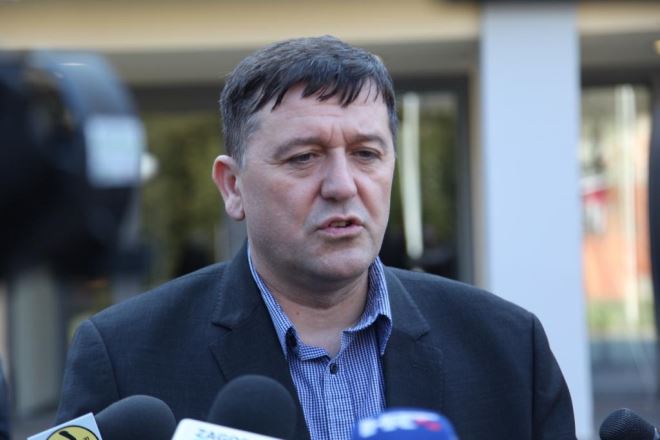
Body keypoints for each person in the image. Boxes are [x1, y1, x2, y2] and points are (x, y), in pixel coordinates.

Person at [56, 36, 576, 439]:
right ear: (233, 187)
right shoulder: (124, 356)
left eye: (366, 154)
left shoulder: (510, 348)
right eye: (304, 157)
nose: (342, 185)